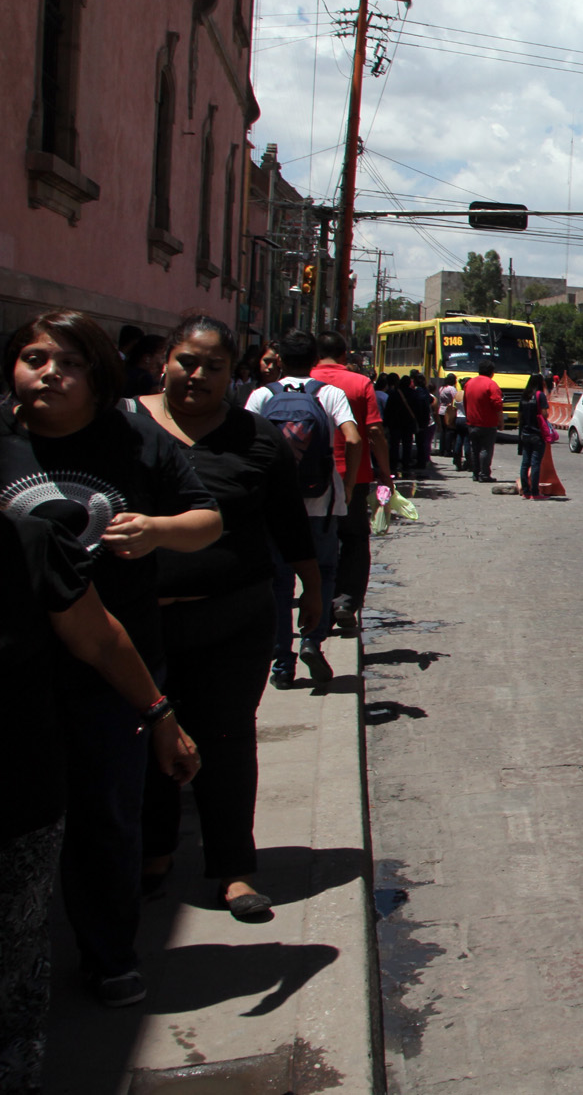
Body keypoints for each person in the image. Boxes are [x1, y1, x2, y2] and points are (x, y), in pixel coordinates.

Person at [1, 310, 221, 1007]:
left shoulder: (135, 441)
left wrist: (156, 530)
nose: (48, 373)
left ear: (97, 376)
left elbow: (206, 519)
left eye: (66, 362)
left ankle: (108, 953)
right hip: (17, 678)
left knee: (106, 816)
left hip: (116, 670)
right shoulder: (2, 439)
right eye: (34, 358)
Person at [1, 512, 198, 1088]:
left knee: (13, 964)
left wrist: (159, 715)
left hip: (18, 797)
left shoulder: (28, 541)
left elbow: (101, 638)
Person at [137, 317, 320, 920]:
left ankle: (234, 869)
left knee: (228, 739)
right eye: (188, 361)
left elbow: (289, 526)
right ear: (165, 360)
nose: (198, 375)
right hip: (136, 627)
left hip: (233, 620)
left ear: (233, 373)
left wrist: (313, 589)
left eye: (214, 366)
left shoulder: (257, 440)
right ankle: (153, 852)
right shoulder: (122, 426)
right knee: (143, 737)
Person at [246, 331, 361, 689]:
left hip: (276, 507)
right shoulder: (329, 394)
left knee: (280, 582)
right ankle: (313, 640)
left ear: (279, 360)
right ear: (314, 359)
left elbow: (243, 442)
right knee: (324, 573)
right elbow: (354, 438)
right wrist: (348, 484)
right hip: (321, 502)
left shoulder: (263, 395)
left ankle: (283, 662)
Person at [309, 332, 385, 638]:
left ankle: (319, 605)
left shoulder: (304, 381)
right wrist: (386, 471)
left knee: (316, 541)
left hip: (309, 477)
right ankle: (345, 601)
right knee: (354, 539)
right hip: (353, 475)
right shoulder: (359, 382)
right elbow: (375, 431)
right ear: (344, 355)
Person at [462, 361, 503, 482]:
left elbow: (465, 401)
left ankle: (475, 473)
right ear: (491, 372)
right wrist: (501, 421)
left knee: (475, 449)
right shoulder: (491, 385)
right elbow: (497, 405)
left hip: (472, 422)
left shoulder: (469, 383)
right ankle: (484, 474)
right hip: (487, 423)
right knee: (486, 449)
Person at [516, 386, 551, 499]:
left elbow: (519, 416)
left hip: (525, 433)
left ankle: (526, 491)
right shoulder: (540, 395)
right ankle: (535, 493)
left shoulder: (524, 395)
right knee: (535, 463)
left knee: (525, 463)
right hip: (537, 433)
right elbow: (545, 413)